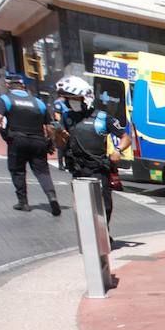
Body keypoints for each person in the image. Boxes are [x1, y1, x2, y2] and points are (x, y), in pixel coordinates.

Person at [53, 75, 130, 222]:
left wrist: (118, 151)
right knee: (82, 207)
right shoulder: (67, 117)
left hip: (98, 168)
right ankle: (90, 238)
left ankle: (104, 234)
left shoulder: (102, 117)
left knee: (104, 206)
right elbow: (60, 145)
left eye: (75, 98)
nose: (71, 102)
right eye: (69, 99)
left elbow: (125, 138)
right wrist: (57, 134)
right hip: (77, 168)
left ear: (86, 98)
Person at [0, 73, 61, 215]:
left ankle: (23, 202)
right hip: (38, 141)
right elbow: (49, 127)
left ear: (8, 86)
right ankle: (52, 197)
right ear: (23, 86)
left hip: (17, 140)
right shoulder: (38, 102)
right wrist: (51, 142)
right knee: (42, 171)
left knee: (18, 170)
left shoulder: (6, 99)